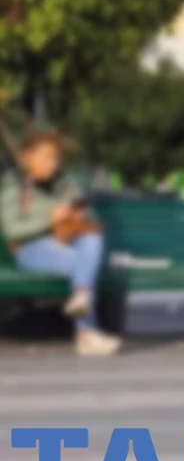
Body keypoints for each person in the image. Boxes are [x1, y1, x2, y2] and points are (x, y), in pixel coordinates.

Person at [0, 131, 121, 356]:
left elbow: (90, 217)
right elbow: (13, 230)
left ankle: (82, 299)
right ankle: (86, 333)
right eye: (46, 157)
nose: (53, 163)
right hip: (31, 249)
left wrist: (78, 215)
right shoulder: (13, 185)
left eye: (55, 157)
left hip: (68, 242)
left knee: (92, 238)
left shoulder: (64, 183)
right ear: (27, 157)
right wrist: (49, 218)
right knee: (84, 263)